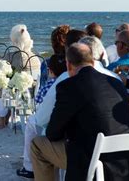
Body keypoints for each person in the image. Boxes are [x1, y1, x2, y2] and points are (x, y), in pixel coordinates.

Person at [30, 43, 129, 181]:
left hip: (91, 162)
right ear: (92, 61)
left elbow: (52, 133)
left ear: (68, 65)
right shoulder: (116, 83)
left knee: (37, 145)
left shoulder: (68, 86)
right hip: (124, 163)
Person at [16, 29, 86, 179]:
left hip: (79, 153)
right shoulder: (113, 79)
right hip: (115, 156)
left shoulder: (65, 82)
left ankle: (30, 168)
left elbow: (45, 121)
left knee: (37, 140)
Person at [0, 24, 41, 129]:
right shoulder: (35, 57)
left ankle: (2, 121)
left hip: (18, 93)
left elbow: (1, 71)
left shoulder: (12, 56)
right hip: (33, 93)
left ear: (14, 41)